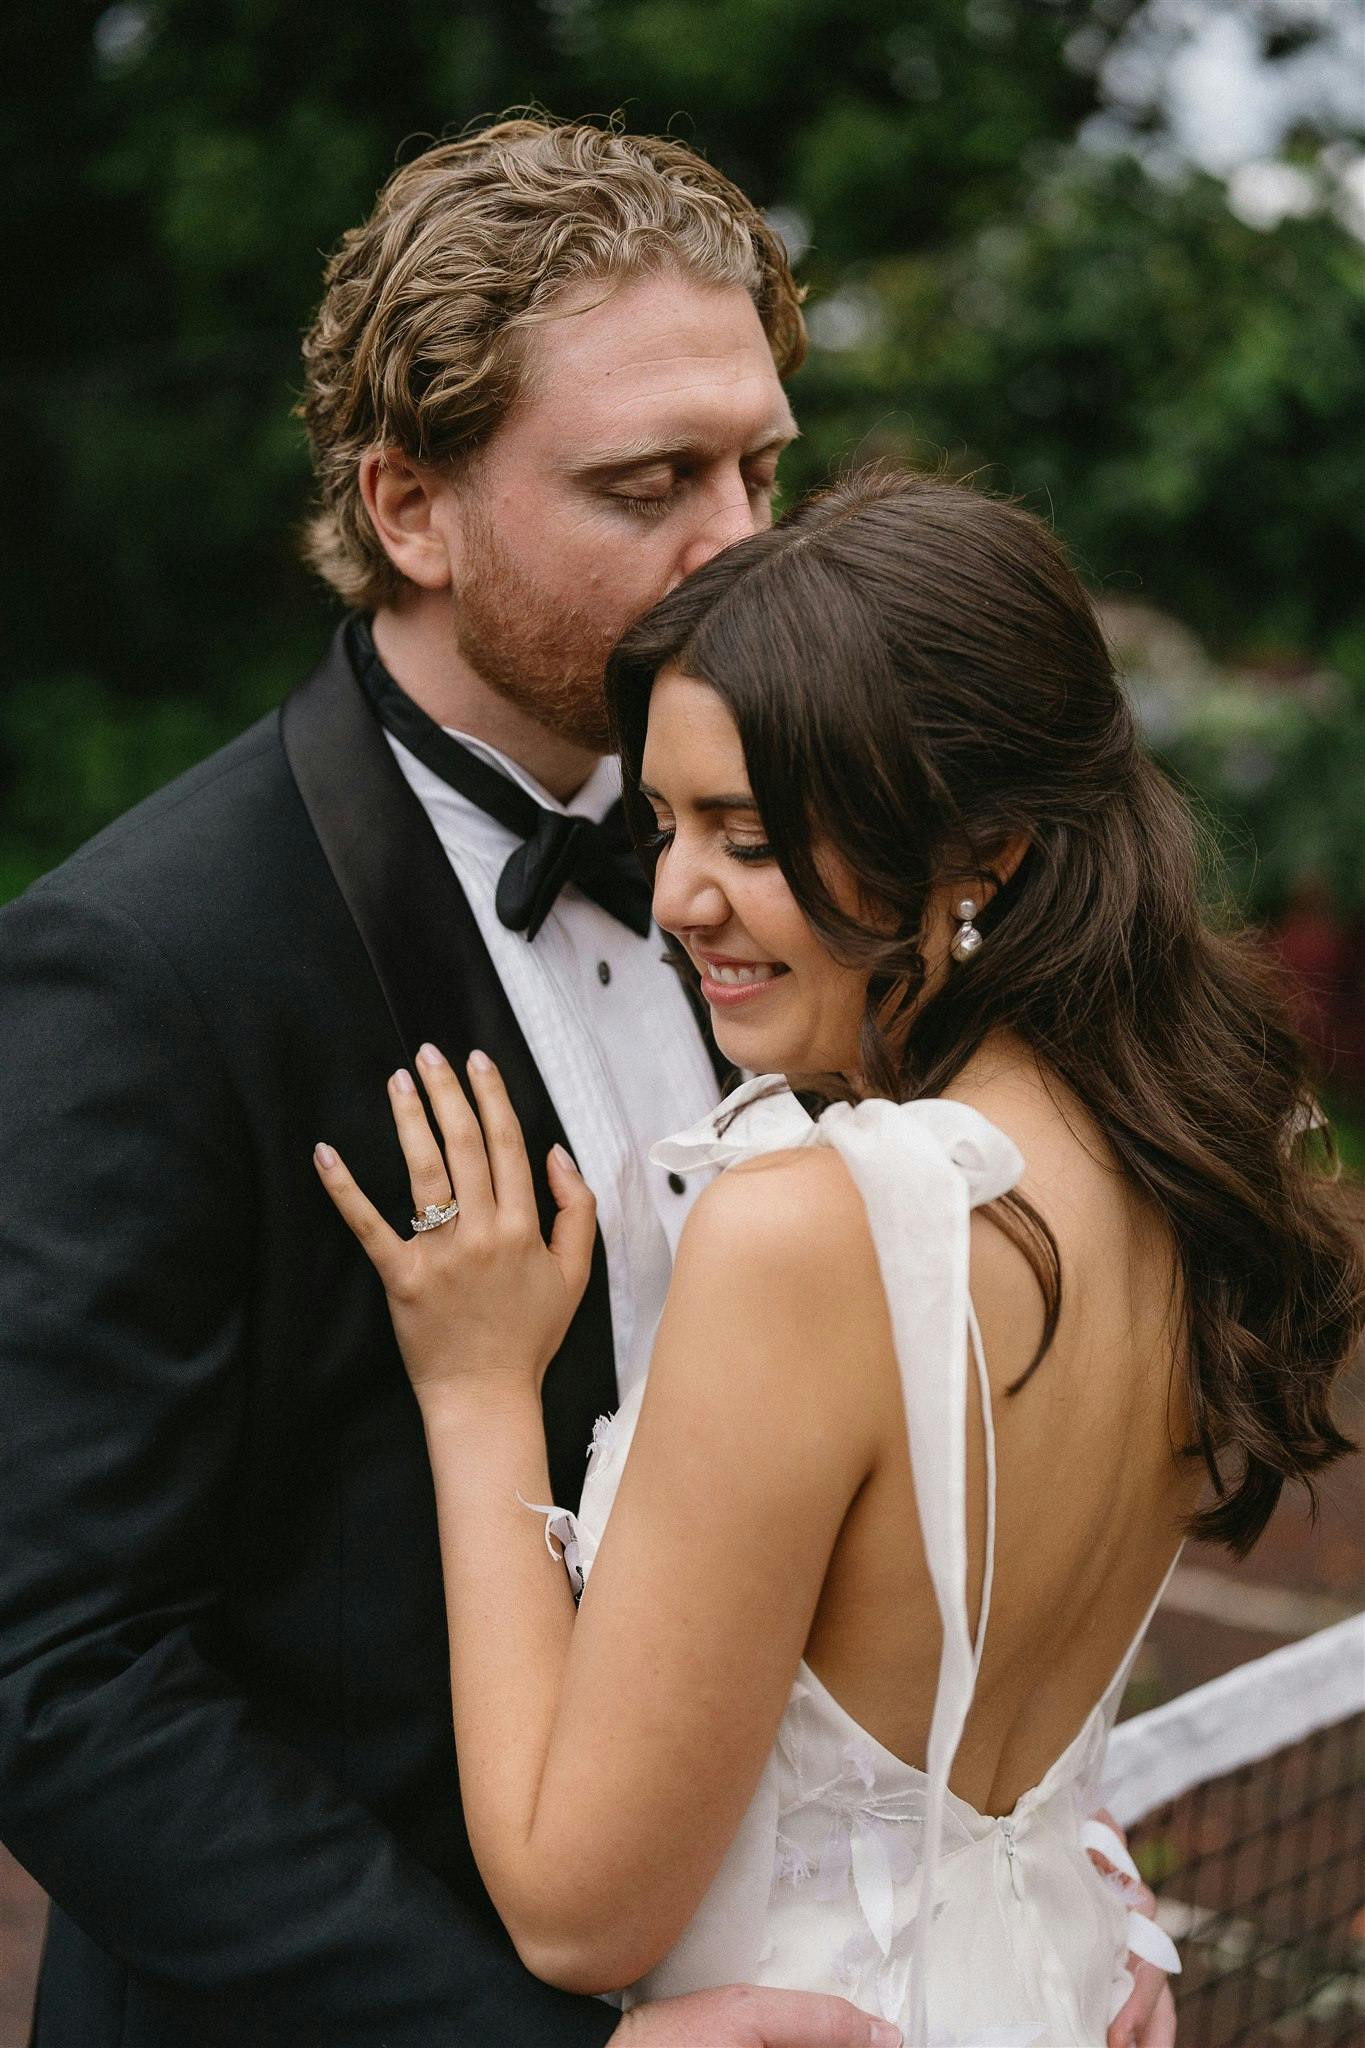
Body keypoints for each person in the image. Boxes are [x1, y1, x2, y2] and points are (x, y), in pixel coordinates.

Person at [0, 116, 1169, 2048]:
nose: (741, 543)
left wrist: (1029, 1865)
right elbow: (55, 1662)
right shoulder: (141, 968)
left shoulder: (845, 882)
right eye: (651, 484)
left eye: (760, 465)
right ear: (409, 508)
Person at [318, 471, 1364, 2044]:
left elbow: (575, 1900)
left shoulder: (816, 1228)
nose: (676, 898)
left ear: (983, 858)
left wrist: (476, 1392)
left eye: (745, 834)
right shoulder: (1191, 1155)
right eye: (663, 822)